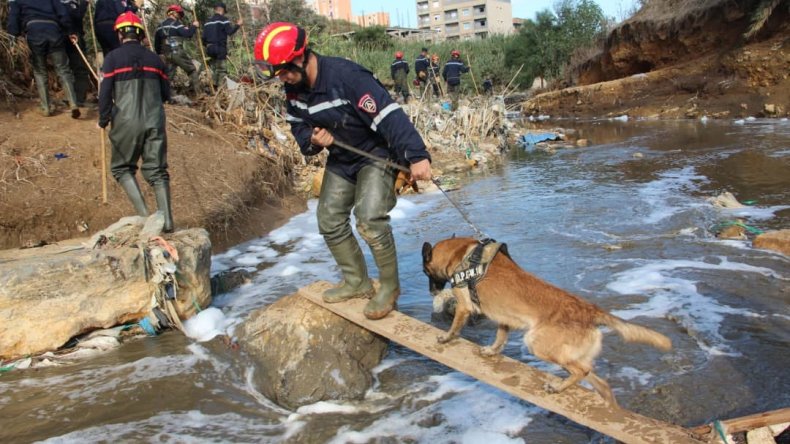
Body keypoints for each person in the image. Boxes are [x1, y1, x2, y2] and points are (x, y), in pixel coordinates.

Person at [254, 22, 432, 320]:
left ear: (301, 56)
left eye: (283, 70)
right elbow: (297, 125)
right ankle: (357, 282)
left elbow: (389, 115)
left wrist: (416, 155)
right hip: (341, 158)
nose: (281, 78)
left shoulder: (348, 77)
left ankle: (389, 288)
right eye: (276, 73)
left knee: (369, 218)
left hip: (375, 155)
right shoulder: (293, 90)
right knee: (329, 218)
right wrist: (311, 140)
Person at [99, 12, 174, 232]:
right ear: (141, 34)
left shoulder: (112, 59)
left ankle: (145, 219)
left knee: (122, 168)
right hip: (154, 119)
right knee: (158, 171)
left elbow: (104, 93)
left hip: (125, 121)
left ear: (120, 34)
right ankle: (167, 223)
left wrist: (103, 118)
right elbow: (165, 94)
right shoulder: (155, 60)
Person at [7, 0, 81, 118]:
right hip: (54, 31)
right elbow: (63, 13)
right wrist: (70, 31)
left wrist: (12, 37)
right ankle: (73, 103)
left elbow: (13, 17)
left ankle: (46, 107)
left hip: (34, 32)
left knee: (40, 71)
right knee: (63, 69)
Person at [154, 4, 201, 97]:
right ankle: (200, 94)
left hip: (165, 54)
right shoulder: (177, 24)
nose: (179, 16)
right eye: (179, 14)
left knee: (167, 76)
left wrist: (160, 54)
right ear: (173, 13)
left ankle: (165, 96)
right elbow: (187, 34)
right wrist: (194, 26)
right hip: (177, 52)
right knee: (192, 70)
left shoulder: (159, 26)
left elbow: (156, 44)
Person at [202, 1, 241, 89]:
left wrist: (207, 46)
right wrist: (238, 25)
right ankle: (221, 90)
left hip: (209, 48)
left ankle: (213, 87)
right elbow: (230, 32)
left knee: (215, 69)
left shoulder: (207, 22)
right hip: (220, 48)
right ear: (221, 10)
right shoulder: (223, 20)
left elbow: (203, 38)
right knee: (222, 70)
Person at [62, 0, 91, 106]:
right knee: (79, 68)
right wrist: (85, 3)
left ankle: (75, 96)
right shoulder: (69, 4)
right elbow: (77, 15)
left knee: (74, 68)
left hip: (66, 37)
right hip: (73, 38)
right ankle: (77, 98)